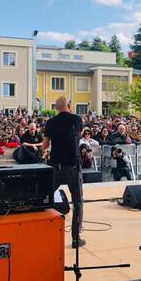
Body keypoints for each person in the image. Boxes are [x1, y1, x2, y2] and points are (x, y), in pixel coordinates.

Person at [42, 96, 85, 248]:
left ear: (56, 107)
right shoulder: (76, 119)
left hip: (56, 168)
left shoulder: (50, 122)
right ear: (69, 106)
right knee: (78, 203)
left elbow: (45, 145)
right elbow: (77, 136)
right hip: (73, 167)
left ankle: (41, 232)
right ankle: (75, 238)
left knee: (44, 199)